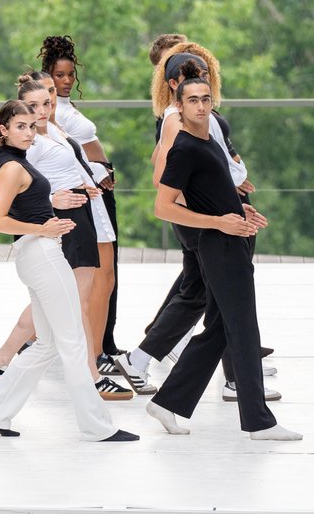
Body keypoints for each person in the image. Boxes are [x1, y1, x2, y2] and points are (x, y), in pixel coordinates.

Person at [114, 46, 278, 401]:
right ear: (175, 87)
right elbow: (164, 178)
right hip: (207, 223)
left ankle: (143, 360)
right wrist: (213, 212)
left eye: (204, 79)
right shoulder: (174, 121)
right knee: (211, 296)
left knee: (201, 294)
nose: (201, 95)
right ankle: (230, 376)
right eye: (191, 81)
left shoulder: (199, 117)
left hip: (224, 216)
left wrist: (228, 186)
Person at [146, 78, 300, 441]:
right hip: (219, 248)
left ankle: (167, 402)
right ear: (179, 106)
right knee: (243, 330)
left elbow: (214, 193)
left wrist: (243, 210)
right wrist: (220, 222)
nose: (200, 106)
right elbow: (163, 207)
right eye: (192, 100)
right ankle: (260, 422)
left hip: (234, 241)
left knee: (217, 330)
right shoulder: (183, 148)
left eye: (205, 99)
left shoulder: (209, 140)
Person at [0, 100, 137, 442]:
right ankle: (97, 426)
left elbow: (27, 206)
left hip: (40, 253)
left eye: (31, 126)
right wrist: (43, 229)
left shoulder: (19, 162)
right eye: (20, 126)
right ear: (3, 131)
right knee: (73, 339)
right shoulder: (11, 168)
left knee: (48, 343)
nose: (28, 132)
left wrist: (53, 207)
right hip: (41, 253)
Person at [41, 35, 122, 370]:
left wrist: (104, 171)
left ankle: (97, 349)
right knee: (95, 280)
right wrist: (94, 174)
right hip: (86, 195)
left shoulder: (66, 108)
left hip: (99, 194)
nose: (66, 81)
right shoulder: (50, 113)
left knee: (104, 279)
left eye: (70, 74)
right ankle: (93, 354)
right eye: (59, 75)